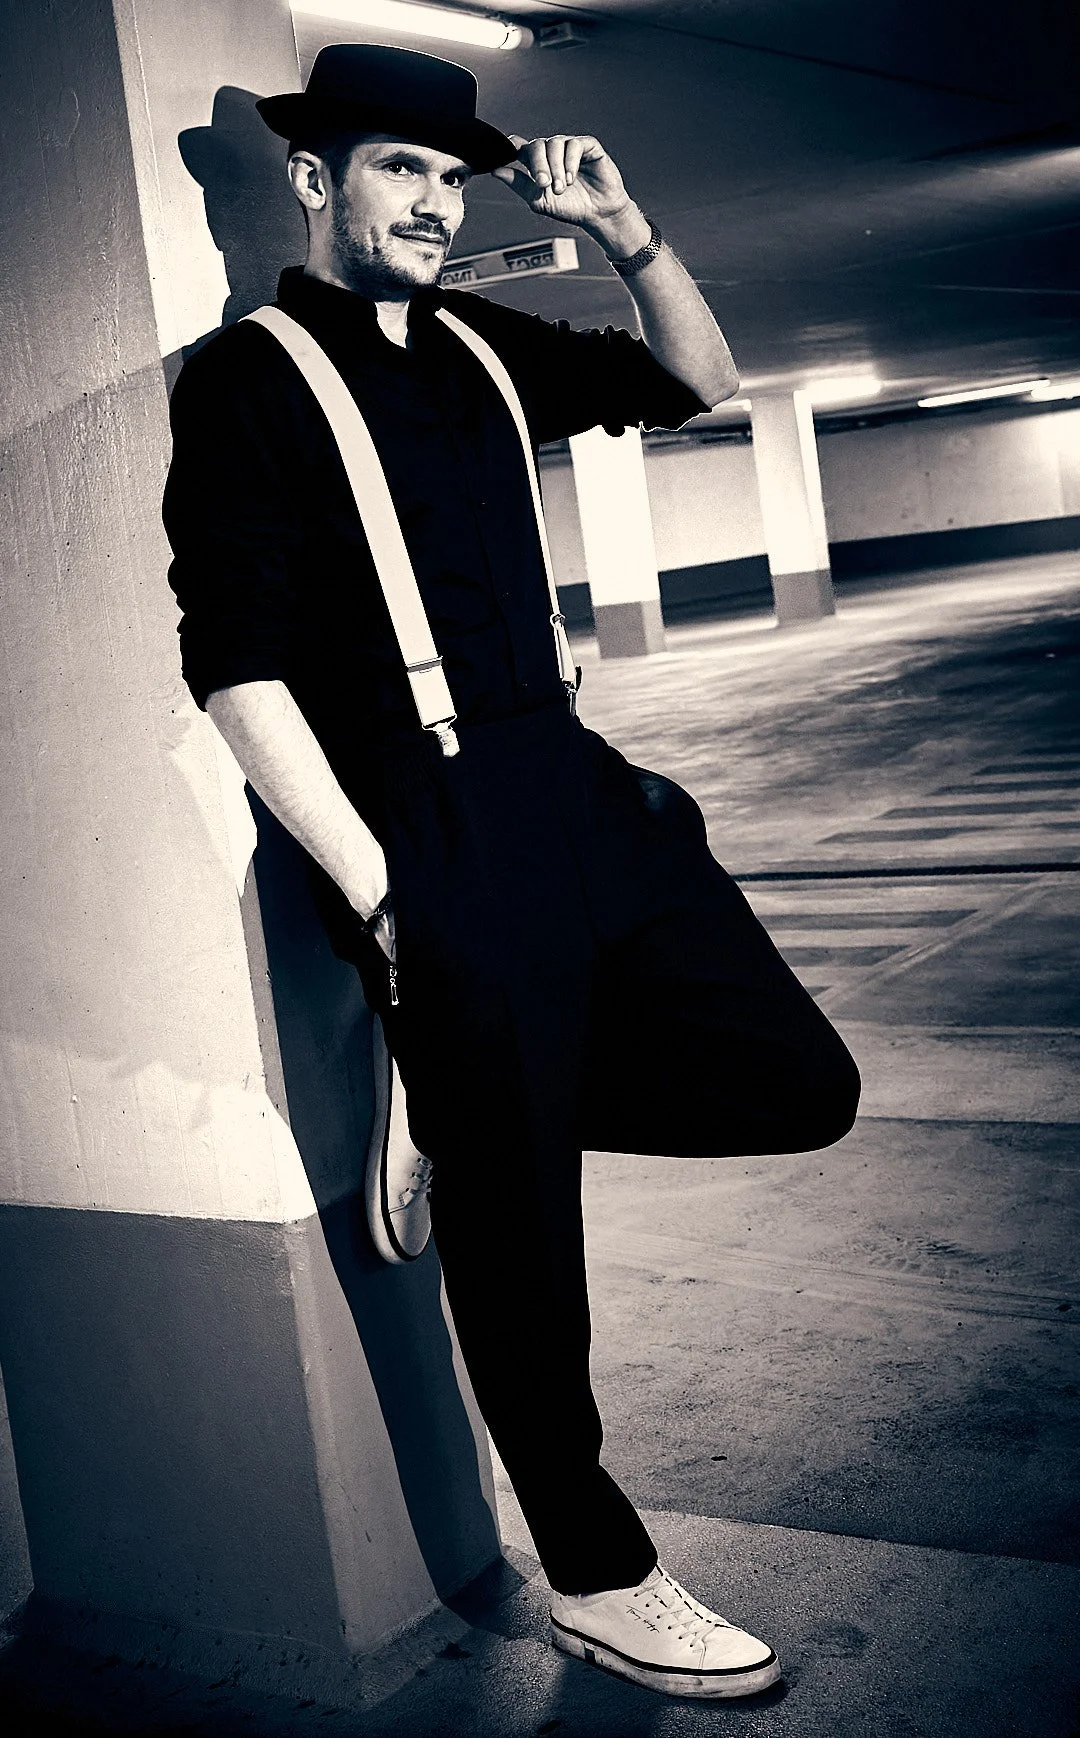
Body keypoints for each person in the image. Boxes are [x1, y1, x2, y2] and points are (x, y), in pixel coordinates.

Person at [163, 42, 861, 1701]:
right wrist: (390, 901)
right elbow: (237, 668)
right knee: (527, 1249)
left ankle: (476, 1106)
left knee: (796, 1078)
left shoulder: (481, 341)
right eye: (405, 167)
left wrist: (631, 235)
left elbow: (698, 378)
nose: (438, 200)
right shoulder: (251, 378)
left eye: (455, 177)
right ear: (320, 178)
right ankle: (605, 1572)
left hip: (575, 780)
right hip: (434, 828)